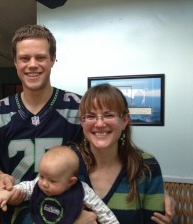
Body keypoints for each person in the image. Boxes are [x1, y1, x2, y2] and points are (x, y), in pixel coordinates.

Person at [0, 24, 175, 224]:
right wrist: (0, 179)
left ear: (53, 60)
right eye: (24, 58)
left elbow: (111, 147)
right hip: (19, 214)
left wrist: (151, 191)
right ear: (15, 62)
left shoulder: (80, 108)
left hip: (68, 211)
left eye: (41, 57)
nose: (32, 64)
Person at [70, 83, 165, 223]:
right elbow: (41, 214)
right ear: (82, 122)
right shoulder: (67, 162)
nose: (100, 124)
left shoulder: (146, 165)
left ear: (124, 121)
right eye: (91, 116)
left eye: (108, 115)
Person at [0, 145, 119, 224]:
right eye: (42, 176)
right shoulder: (39, 184)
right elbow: (24, 188)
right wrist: (8, 193)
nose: (44, 184)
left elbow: (104, 213)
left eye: (52, 181)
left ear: (71, 181)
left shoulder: (82, 191)